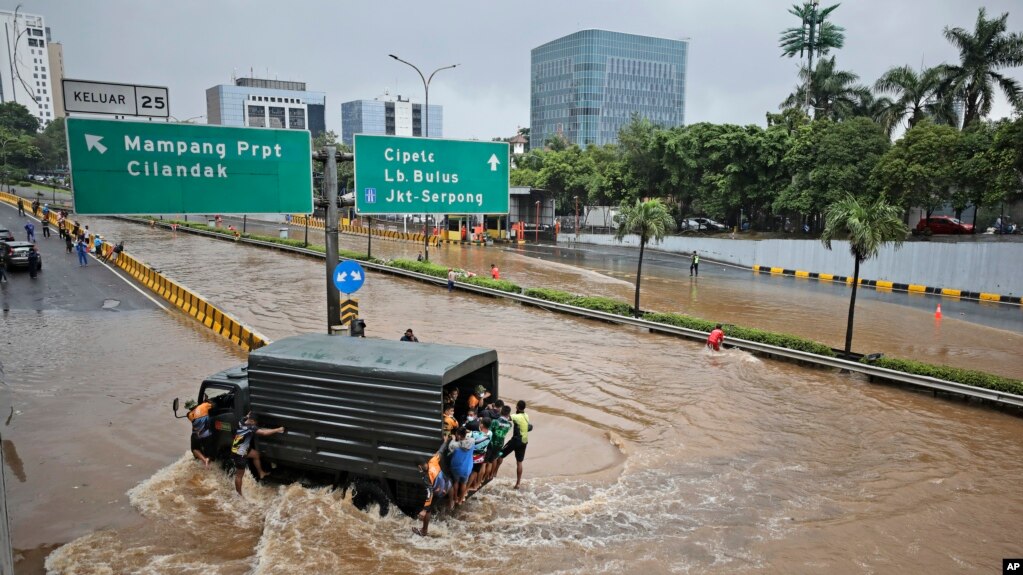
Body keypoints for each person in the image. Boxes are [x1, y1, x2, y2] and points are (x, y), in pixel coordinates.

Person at [231, 412, 285, 497]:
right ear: (252, 421)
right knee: (239, 476)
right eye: (255, 422)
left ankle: (261, 473)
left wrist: (249, 413)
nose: (256, 424)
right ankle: (239, 495)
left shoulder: (241, 421)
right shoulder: (250, 428)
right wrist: (277, 430)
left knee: (256, 455)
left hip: (240, 448)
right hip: (239, 453)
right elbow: (263, 433)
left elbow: (247, 416)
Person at [414, 451, 451, 536]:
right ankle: (451, 503)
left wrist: (424, 510)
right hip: (447, 486)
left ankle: (424, 531)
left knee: (428, 510)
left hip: (439, 492)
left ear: (419, 467)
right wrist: (445, 442)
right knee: (449, 481)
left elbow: (429, 493)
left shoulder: (426, 477)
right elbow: (441, 452)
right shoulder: (433, 461)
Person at [499, 400, 532, 489]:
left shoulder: (515, 416)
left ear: (517, 407)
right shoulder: (526, 416)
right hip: (524, 442)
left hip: (516, 441)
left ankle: (493, 473)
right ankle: (518, 483)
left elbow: (505, 418)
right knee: (519, 463)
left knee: (500, 454)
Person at [485, 405, 513, 482]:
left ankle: (485, 476)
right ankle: (491, 475)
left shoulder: (495, 422)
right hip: (500, 444)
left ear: (501, 411)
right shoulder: (509, 425)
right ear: (509, 414)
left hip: (492, 443)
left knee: (487, 461)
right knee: (494, 459)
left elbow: (489, 431)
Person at [447, 427, 474, 505]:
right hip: (467, 468)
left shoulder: (455, 445)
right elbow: (469, 437)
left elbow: (450, 447)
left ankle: (455, 498)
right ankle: (460, 500)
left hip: (457, 468)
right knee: (464, 483)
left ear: (458, 435)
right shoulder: (472, 441)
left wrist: (453, 439)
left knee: (456, 482)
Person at [185, 397, 214, 467]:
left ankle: (204, 460)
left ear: (189, 408)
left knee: (194, 449)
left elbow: (193, 414)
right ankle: (208, 459)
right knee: (209, 452)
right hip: (207, 435)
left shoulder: (189, 415)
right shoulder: (204, 406)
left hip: (197, 436)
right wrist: (207, 400)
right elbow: (213, 405)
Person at [467, 418, 492, 492]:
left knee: (470, 472)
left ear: (482, 425)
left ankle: (466, 487)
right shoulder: (490, 433)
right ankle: (471, 486)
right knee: (475, 472)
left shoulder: (474, 434)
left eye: (480, 423)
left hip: (472, 456)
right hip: (481, 456)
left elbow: (467, 436)